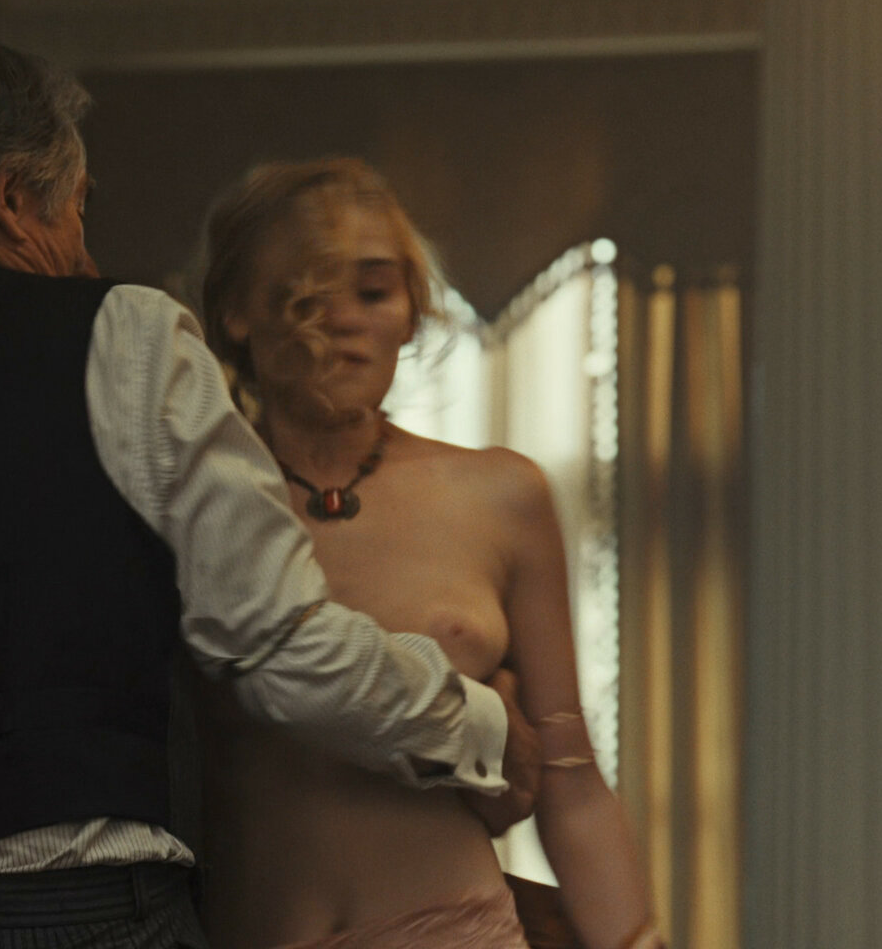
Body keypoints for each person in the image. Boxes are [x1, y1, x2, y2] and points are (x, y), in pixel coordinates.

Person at [0, 45, 537, 949]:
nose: (85, 255)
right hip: (78, 917)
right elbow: (276, 645)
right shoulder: (120, 333)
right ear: (11, 198)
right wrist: (481, 726)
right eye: (78, 208)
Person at [188, 158, 661, 949]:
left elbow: (571, 782)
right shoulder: (188, 508)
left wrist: (640, 941)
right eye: (306, 292)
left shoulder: (499, 496)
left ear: (411, 315)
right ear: (237, 310)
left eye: (374, 291)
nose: (344, 320)